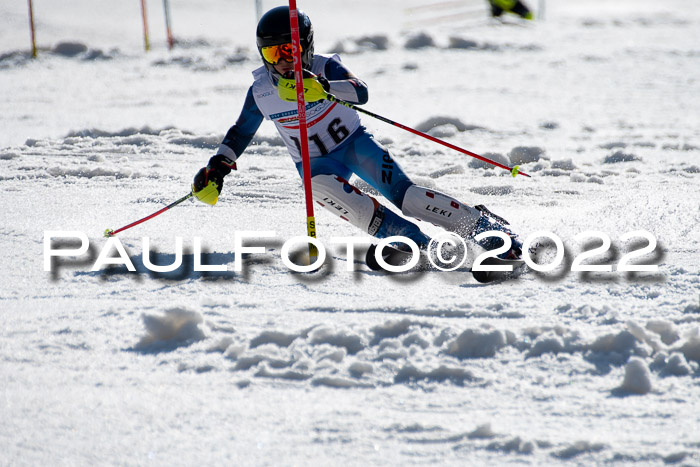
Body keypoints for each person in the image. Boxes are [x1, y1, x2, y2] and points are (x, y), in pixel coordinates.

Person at [192, 6, 523, 263]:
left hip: (354, 146)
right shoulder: (262, 91)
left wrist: (323, 88)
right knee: (319, 188)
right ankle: (411, 244)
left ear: (305, 47)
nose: (282, 63)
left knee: (406, 197)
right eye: (273, 54)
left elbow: (360, 91)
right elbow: (240, 133)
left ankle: (485, 228)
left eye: (289, 52)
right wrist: (219, 165)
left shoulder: (324, 68)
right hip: (316, 164)